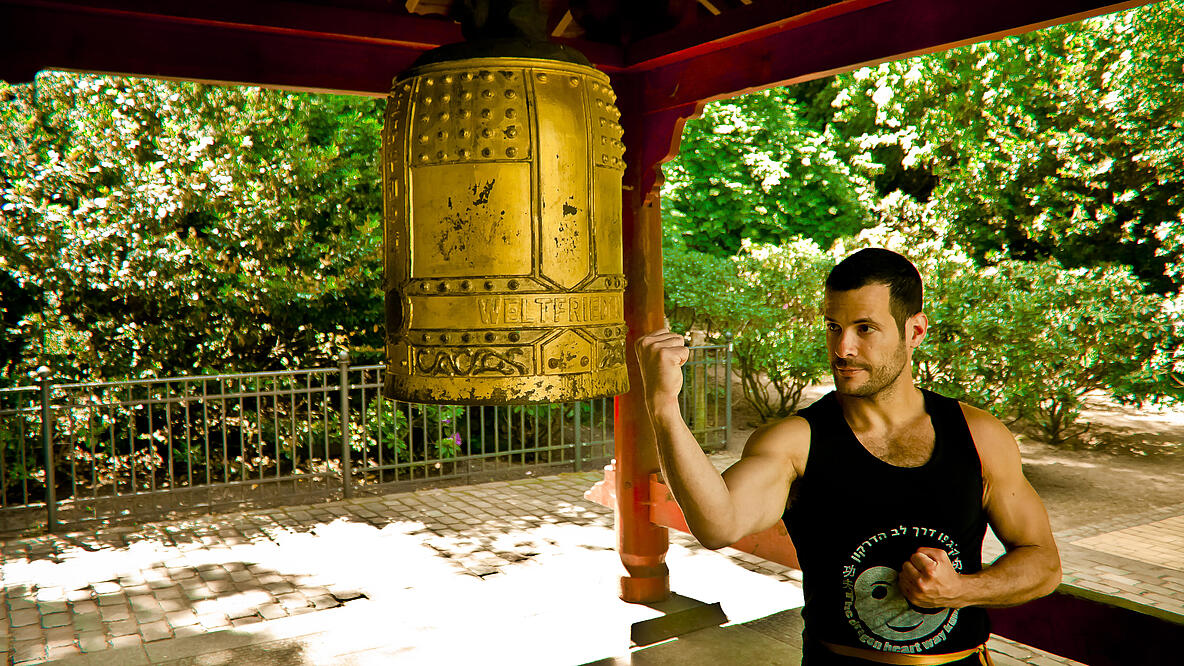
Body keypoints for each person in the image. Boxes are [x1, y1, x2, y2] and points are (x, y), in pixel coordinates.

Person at [636, 248, 1061, 666]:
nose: (843, 348)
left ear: (915, 331)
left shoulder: (979, 435)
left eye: (865, 328)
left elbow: (1043, 563)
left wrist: (959, 590)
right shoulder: (797, 442)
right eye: (834, 327)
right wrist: (664, 407)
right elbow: (718, 524)